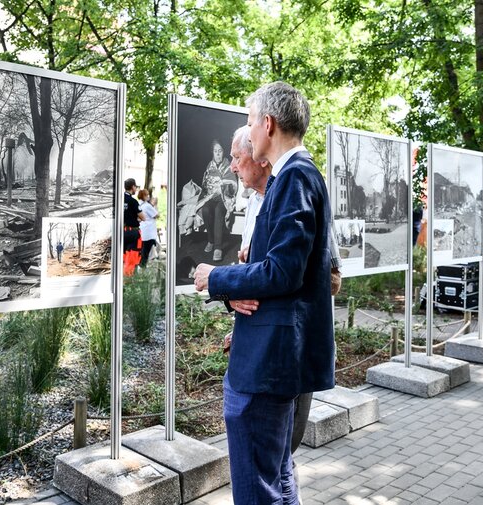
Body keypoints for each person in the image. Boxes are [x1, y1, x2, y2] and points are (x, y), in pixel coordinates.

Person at [193, 82, 333, 504]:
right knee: (277, 478)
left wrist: (216, 278)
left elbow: (284, 272)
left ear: (268, 124)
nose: (249, 131)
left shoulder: (294, 177)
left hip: (267, 363)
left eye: (251, 121)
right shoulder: (294, 177)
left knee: (259, 488)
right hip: (269, 352)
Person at [199, 141, 238, 262]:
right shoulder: (209, 165)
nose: (218, 154)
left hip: (225, 197)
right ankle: (210, 240)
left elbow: (233, 184)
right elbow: (205, 184)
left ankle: (218, 247)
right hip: (212, 196)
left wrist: (222, 183)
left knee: (218, 210)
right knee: (205, 210)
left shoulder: (228, 165)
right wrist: (210, 185)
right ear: (213, 153)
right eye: (215, 151)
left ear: (223, 152)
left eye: (220, 151)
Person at [123, 178, 145, 275]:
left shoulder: (119, 199)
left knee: (123, 256)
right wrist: (136, 218)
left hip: (122, 231)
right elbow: (143, 217)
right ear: (132, 187)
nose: (136, 189)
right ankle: (128, 279)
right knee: (132, 256)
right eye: (136, 187)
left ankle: (122, 277)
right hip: (133, 233)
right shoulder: (133, 201)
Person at [138, 189, 159, 268]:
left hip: (142, 231)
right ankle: (142, 268)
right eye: (147, 195)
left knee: (142, 251)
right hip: (149, 233)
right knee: (146, 253)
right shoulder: (147, 205)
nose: (148, 196)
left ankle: (140, 268)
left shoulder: (139, 204)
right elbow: (156, 215)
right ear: (143, 196)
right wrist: (155, 205)